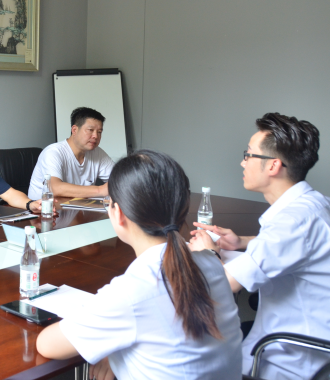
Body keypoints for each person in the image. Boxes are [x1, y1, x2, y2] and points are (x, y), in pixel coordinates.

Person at [36, 150, 242, 379]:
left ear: (118, 213)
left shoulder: (130, 292)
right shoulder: (212, 263)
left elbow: (47, 345)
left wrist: (113, 348)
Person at [190, 112, 330, 380]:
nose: (242, 162)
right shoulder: (314, 203)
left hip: (289, 357)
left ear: (273, 165)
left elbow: (223, 284)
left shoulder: (291, 222)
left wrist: (207, 252)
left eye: (248, 154)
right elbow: (301, 245)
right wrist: (242, 241)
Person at [27, 107, 114, 200]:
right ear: (74, 130)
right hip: (44, 208)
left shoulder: (97, 153)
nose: (96, 136)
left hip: (78, 206)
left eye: (99, 132)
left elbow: (120, 179)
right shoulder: (53, 152)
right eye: (90, 130)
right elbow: (54, 188)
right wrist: (99, 190)